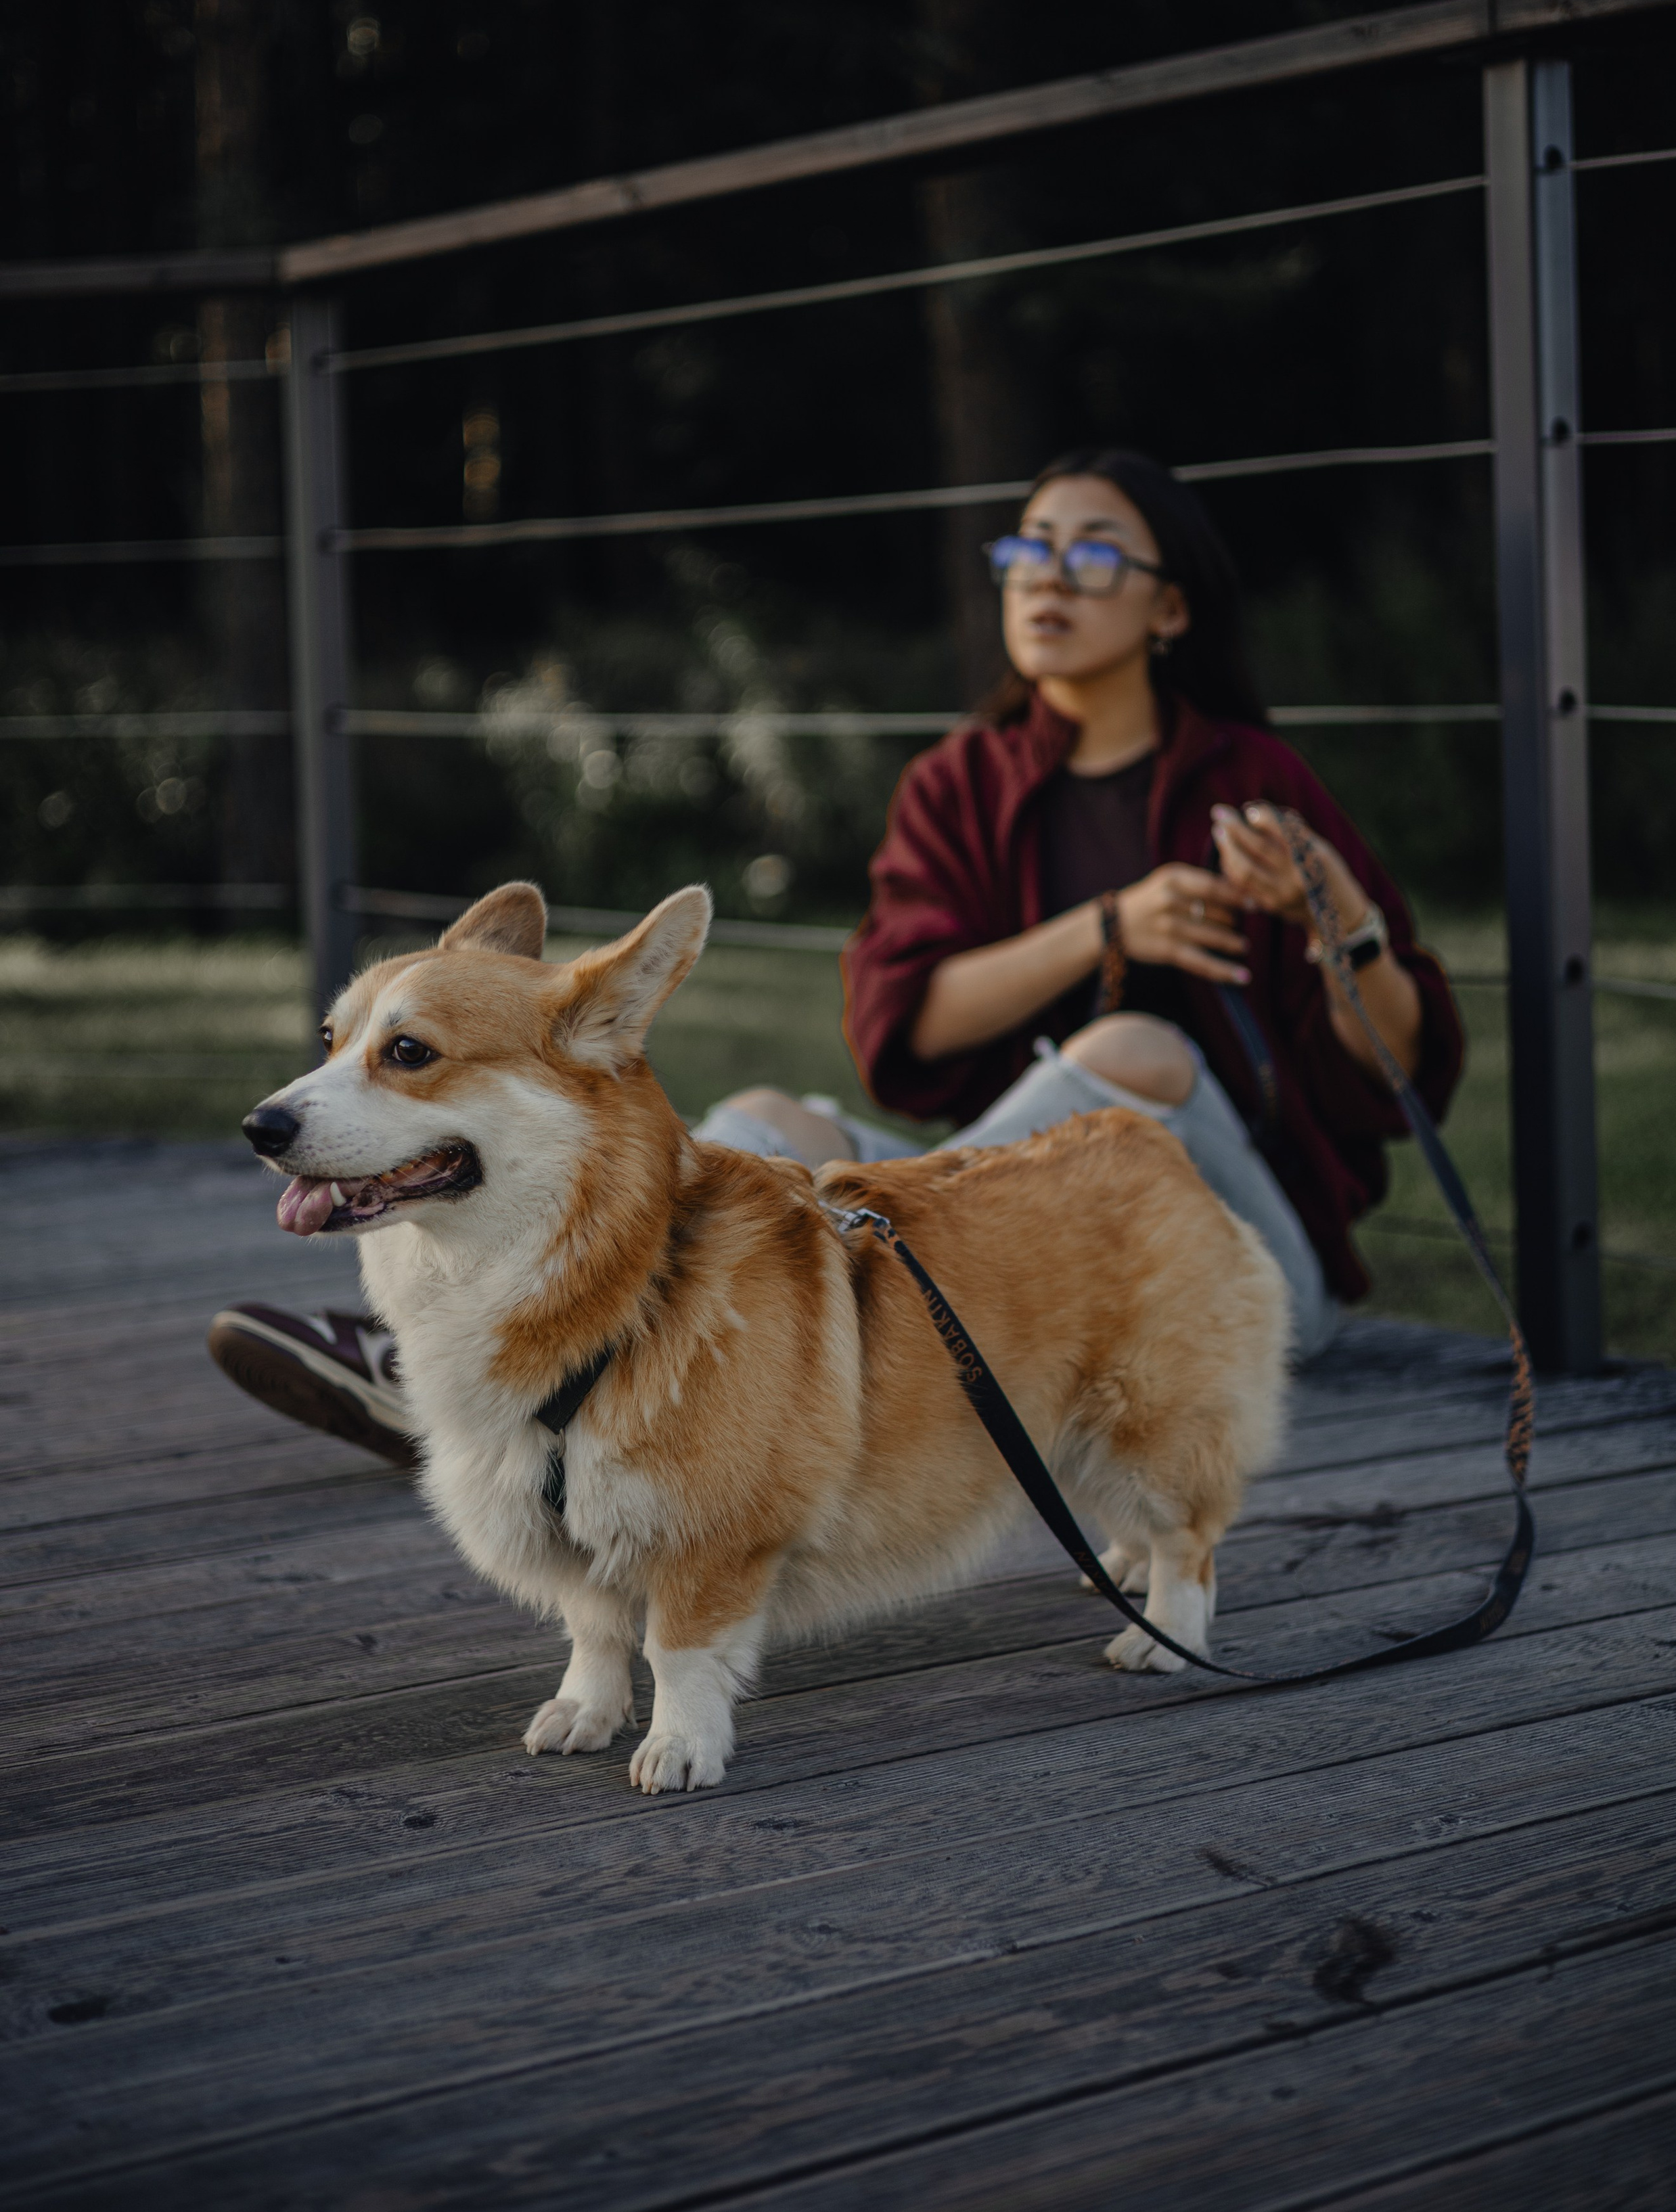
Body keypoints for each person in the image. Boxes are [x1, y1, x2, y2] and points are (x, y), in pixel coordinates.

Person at [210, 445, 1462, 1458]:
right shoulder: (961, 783)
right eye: (1028, 548)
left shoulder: (1255, 786)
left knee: (1138, 1048)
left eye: (1092, 554)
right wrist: (1107, 929)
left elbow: (1399, 1078)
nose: (1048, 577)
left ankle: (620, 1349)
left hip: (1214, 1271)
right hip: (1001, 1227)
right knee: (767, 1119)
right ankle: (530, 1353)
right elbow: (899, 1028)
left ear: (1171, 606)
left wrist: (1345, 926)